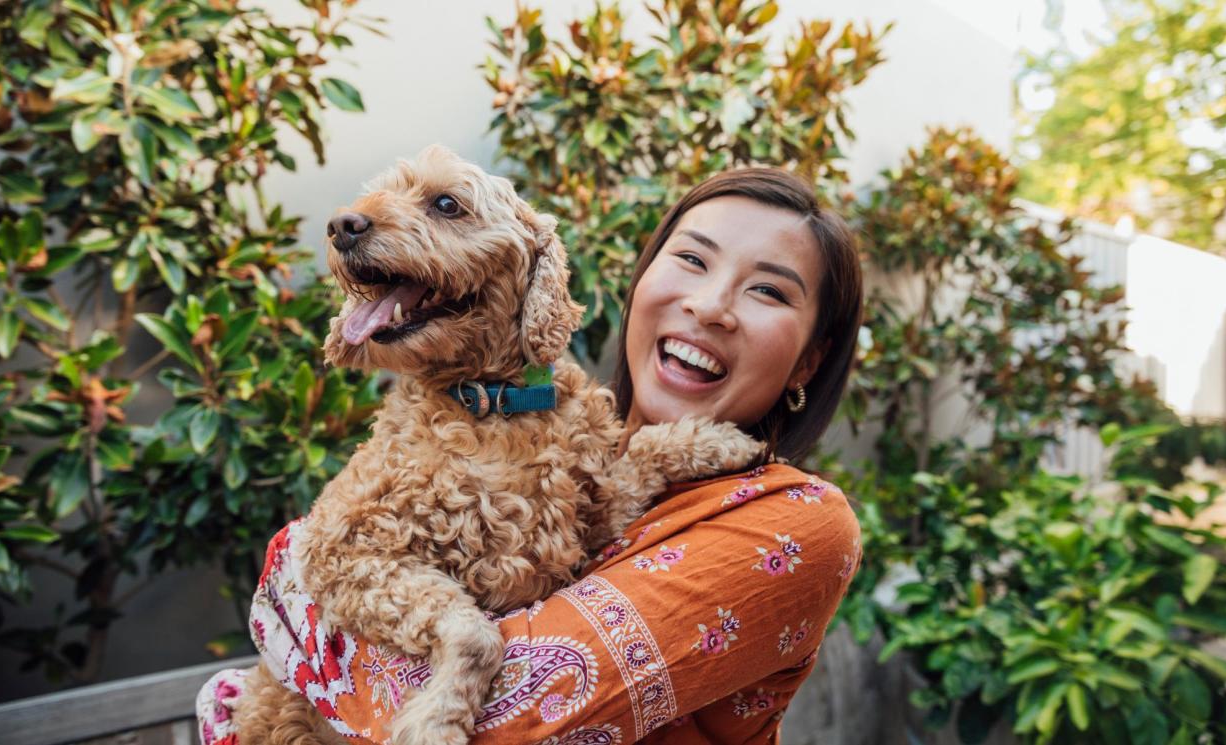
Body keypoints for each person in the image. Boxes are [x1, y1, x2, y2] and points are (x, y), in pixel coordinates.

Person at [197, 166, 865, 744]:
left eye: (769, 290)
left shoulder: (798, 522)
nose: (709, 304)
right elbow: (325, 558)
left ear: (810, 358)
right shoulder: (557, 436)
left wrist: (297, 597)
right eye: (692, 259)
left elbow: (515, 721)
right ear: (642, 281)